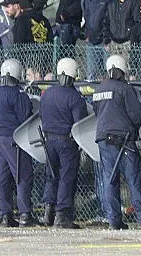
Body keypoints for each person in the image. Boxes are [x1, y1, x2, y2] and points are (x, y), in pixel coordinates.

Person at [93, 55, 141, 230]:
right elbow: (136, 115)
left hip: (103, 139)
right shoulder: (126, 89)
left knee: (109, 180)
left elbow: (97, 112)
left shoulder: (98, 89)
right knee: (134, 179)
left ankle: (114, 220)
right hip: (123, 140)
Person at [0, 59, 39, 227]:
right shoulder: (18, 94)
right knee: (22, 175)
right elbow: (25, 116)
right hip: (13, 139)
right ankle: (25, 213)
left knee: (1, 178)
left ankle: (5, 214)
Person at [40, 58, 89, 228]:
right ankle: (62, 215)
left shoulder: (47, 94)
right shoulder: (75, 97)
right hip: (66, 141)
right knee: (66, 177)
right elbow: (80, 124)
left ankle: (48, 213)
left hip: (48, 140)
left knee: (51, 176)